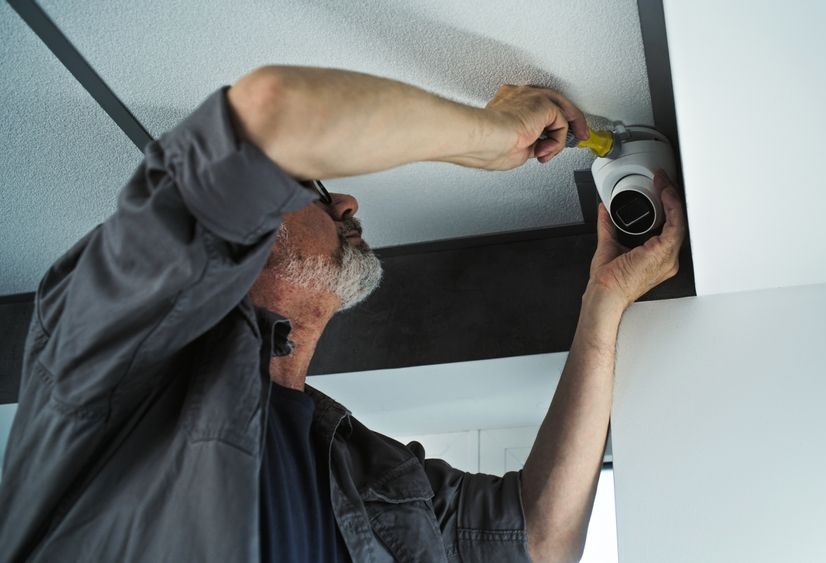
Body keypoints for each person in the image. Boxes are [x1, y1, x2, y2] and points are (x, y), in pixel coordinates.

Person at [0, 65, 686, 562]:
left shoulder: (365, 473)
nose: (347, 205)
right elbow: (270, 114)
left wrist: (605, 300)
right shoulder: (104, 362)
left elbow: (535, 537)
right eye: (315, 188)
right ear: (250, 228)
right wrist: (487, 134)